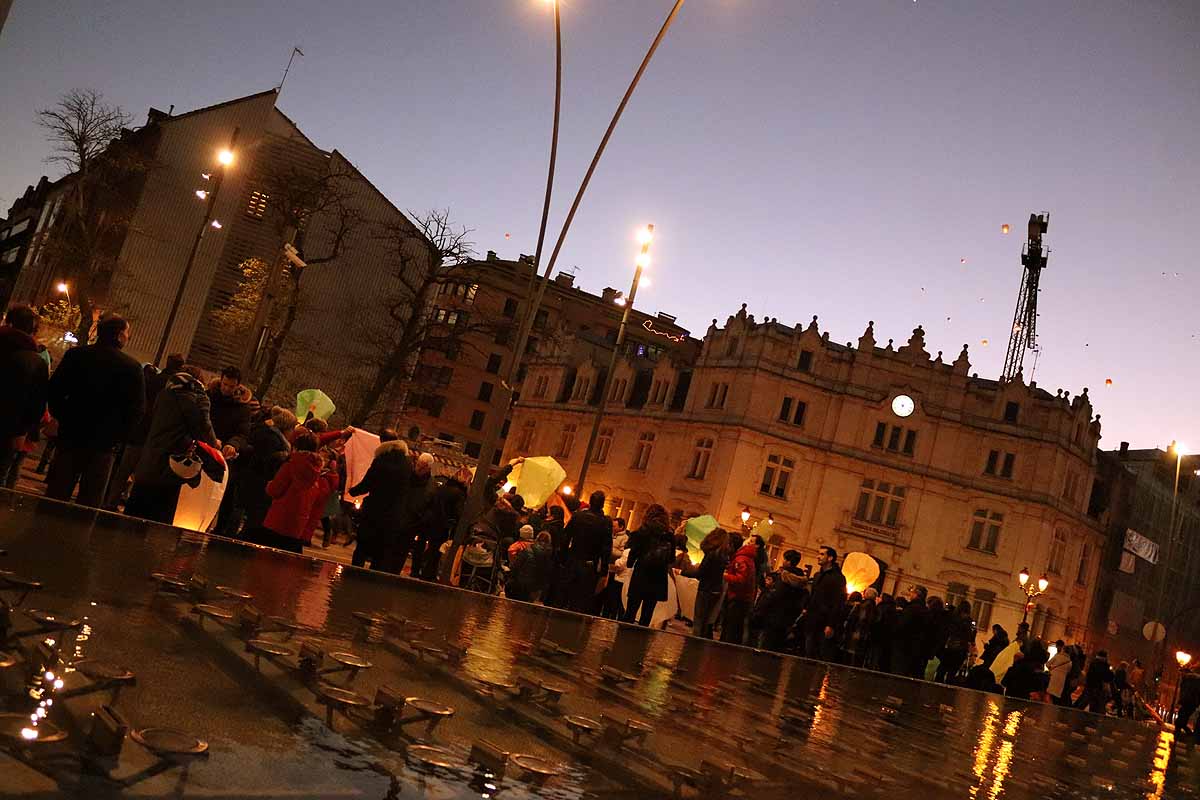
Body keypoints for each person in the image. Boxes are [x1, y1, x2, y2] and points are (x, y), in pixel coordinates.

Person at [45, 314, 145, 506]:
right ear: (118, 336)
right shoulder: (131, 368)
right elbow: (137, 410)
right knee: (90, 501)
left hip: (71, 435)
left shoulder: (76, 356)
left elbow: (55, 390)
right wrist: (119, 435)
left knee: (57, 494)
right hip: (104, 443)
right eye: (126, 332)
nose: (127, 337)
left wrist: (63, 417)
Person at [124, 366, 218, 524]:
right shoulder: (191, 400)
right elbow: (204, 433)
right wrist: (203, 403)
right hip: (169, 466)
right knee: (158, 519)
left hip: (149, 461)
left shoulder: (165, 395)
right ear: (196, 383)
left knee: (134, 515)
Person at [105, 355, 183, 510]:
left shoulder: (151, 380)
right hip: (155, 436)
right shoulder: (174, 388)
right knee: (143, 475)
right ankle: (131, 505)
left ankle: (110, 501)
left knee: (123, 470)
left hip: (138, 433)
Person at [0, 305, 50, 487]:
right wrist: (23, 432)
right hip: (8, 430)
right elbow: (36, 403)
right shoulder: (35, 361)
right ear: (33, 331)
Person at [348, 430, 411, 569]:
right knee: (381, 553)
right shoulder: (407, 463)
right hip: (393, 515)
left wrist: (351, 491)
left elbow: (367, 483)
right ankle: (373, 581)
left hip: (374, 512)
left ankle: (354, 574)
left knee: (362, 548)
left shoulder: (381, 460)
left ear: (383, 441)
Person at [208, 366, 257, 535]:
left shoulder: (243, 408)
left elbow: (243, 433)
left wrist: (233, 444)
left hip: (225, 457)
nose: (227, 389)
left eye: (231, 386)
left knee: (225, 495)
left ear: (238, 386)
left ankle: (219, 531)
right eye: (225, 384)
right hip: (205, 448)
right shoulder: (209, 398)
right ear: (220, 381)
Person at [260, 431, 326, 553]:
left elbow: (274, 490)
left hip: (278, 520)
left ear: (295, 446)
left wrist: (269, 484)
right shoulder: (316, 470)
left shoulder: (291, 465)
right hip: (298, 524)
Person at [238, 407, 296, 535]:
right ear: (286, 428)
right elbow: (266, 462)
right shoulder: (273, 440)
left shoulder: (267, 434)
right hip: (260, 484)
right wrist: (282, 457)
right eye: (291, 429)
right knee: (254, 518)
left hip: (253, 481)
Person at [380, 451, 435, 574]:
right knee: (387, 553)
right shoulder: (407, 477)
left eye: (423, 465)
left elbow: (429, 508)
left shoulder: (431, 486)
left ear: (429, 467)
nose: (419, 467)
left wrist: (419, 521)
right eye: (419, 463)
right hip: (396, 520)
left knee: (399, 556)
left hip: (410, 526)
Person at [411, 465, 469, 581]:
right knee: (437, 552)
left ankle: (420, 570)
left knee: (431, 548)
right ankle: (428, 574)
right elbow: (458, 513)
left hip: (432, 521)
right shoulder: (459, 493)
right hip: (444, 525)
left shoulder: (445, 487)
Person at [622, 504, 674, 627]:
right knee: (647, 614)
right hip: (659, 577)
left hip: (641, 573)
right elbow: (671, 558)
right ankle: (641, 641)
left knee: (631, 611)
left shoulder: (642, 531)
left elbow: (633, 552)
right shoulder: (669, 535)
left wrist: (630, 564)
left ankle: (623, 638)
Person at [562, 491, 613, 613]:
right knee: (582, 600)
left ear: (590, 502)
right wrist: (604, 570)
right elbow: (606, 549)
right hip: (590, 564)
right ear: (602, 505)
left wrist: (563, 558)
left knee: (566, 596)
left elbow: (565, 537)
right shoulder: (605, 523)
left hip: (573, 559)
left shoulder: (578, 516)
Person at [754, 550, 809, 652]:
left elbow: (775, 596)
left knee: (766, 646)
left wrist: (761, 609)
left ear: (788, 561)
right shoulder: (801, 580)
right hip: (788, 619)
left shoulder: (784, 577)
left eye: (784, 559)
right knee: (778, 647)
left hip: (774, 617)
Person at [682, 527, 730, 639]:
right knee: (706, 621)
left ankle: (694, 646)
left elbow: (700, 573)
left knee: (698, 620)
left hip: (705, 589)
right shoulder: (723, 555)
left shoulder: (711, 555)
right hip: (716, 590)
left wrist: (683, 572)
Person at [803, 545, 848, 661]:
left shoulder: (838, 578)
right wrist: (806, 608)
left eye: (822, 554)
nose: (818, 556)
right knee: (808, 651)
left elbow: (839, 602)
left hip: (824, 621)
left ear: (830, 558)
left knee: (819, 654)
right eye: (818, 553)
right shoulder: (818, 575)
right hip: (812, 619)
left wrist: (831, 624)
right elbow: (814, 596)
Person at [721, 535, 759, 645]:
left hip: (737, 596)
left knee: (731, 629)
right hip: (743, 597)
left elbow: (740, 579)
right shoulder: (748, 558)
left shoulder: (741, 559)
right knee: (736, 629)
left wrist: (725, 575)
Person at [508, 529, 554, 602]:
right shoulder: (549, 556)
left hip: (522, 584)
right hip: (536, 588)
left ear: (536, 539)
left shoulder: (527, 551)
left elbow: (515, 567)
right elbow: (547, 574)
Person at [893, 585, 929, 677]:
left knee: (900, 672)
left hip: (905, 645)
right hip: (917, 647)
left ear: (917, 594)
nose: (910, 595)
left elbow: (902, 626)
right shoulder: (925, 610)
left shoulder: (912, 608)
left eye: (912, 593)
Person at [936, 601, 975, 683]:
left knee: (942, 670)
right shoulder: (969, 622)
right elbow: (971, 637)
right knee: (952, 673)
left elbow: (946, 631)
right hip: (961, 650)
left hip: (949, 647)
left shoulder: (952, 617)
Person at [601, 516, 631, 619]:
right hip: (608, 567)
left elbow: (623, 553)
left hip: (616, 569)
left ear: (621, 527)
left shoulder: (625, 538)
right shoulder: (610, 535)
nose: (612, 528)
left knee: (612, 595)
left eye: (614, 526)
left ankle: (610, 615)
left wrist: (610, 550)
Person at [842, 587, 878, 666]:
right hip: (865, 636)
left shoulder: (864, 605)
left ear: (867, 594)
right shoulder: (875, 607)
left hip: (858, 634)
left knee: (851, 658)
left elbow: (862, 619)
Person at [868, 593, 898, 672]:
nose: (878, 598)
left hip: (877, 636)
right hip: (886, 638)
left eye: (880, 597)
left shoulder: (881, 607)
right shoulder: (893, 609)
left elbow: (876, 621)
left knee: (874, 655)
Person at [1046, 640, 1072, 706]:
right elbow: (1068, 671)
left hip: (1053, 677)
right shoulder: (1070, 662)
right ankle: (1053, 709)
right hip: (1061, 680)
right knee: (1056, 696)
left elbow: (1047, 664)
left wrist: (1051, 668)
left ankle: (1047, 708)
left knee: (1050, 694)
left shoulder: (1057, 656)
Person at [1177, 664, 1200, 735]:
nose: (1180, 674)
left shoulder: (1189, 680)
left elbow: (1186, 692)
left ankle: (1183, 732)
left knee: (1181, 718)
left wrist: (1181, 700)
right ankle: (1184, 732)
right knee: (1182, 718)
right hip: (1192, 702)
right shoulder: (1191, 680)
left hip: (1189, 702)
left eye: (1181, 672)